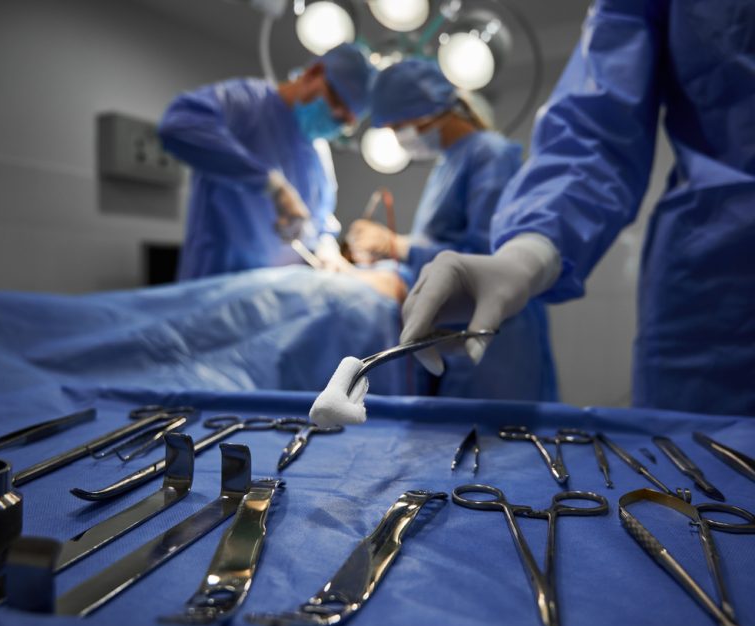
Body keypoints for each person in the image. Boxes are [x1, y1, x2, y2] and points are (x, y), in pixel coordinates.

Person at [400, 0, 755, 415]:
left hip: (717, 291)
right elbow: (595, 130)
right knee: (692, 474)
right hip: (719, 306)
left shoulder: (486, 155)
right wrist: (525, 255)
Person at [348, 59, 556, 400]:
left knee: (501, 443)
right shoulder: (448, 163)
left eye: (399, 125)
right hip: (454, 335)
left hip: (497, 344)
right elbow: (441, 253)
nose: (399, 137)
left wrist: (399, 246)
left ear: (427, 111)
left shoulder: (490, 154)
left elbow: (489, 258)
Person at [159, 44, 376, 280]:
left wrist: (326, 249)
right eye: (335, 102)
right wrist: (272, 186)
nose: (334, 118)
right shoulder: (249, 104)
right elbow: (179, 125)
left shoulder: (318, 155)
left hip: (274, 301)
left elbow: (321, 223)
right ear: (314, 73)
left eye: (345, 120)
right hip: (216, 285)